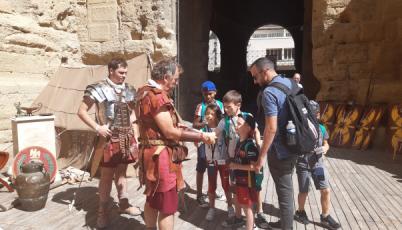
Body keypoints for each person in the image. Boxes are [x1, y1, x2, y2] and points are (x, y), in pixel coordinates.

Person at [135, 58, 216, 230]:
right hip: (160, 157)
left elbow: (165, 125)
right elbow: (170, 132)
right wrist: (202, 137)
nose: (177, 83)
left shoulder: (143, 92)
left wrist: (193, 131)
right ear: (166, 77)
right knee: (166, 207)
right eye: (176, 79)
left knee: (152, 198)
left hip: (151, 152)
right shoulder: (156, 96)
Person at [77, 58, 141, 228]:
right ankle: (102, 212)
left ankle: (124, 204)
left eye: (126, 73)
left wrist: (136, 137)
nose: (124, 76)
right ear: (111, 70)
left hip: (126, 138)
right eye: (121, 73)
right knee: (106, 176)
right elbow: (81, 111)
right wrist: (98, 127)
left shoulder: (129, 89)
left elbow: (133, 115)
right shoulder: (98, 88)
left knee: (122, 173)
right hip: (108, 138)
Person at [250, 57, 297, 230]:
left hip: (280, 150)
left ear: (265, 71)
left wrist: (262, 156)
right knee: (286, 188)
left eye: (255, 77)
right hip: (295, 143)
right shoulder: (291, 83)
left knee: (284, 192)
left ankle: (287, 227)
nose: (255, 82)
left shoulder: (269, 93)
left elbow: (271, 128)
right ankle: (286, 222)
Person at [294, 100, 341, 229]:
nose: (312, 116)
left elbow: (326, 143)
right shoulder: (301, 128)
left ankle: (325, 216)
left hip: (318, 164)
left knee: (325, 189)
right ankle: (300, 212)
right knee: (303, 190)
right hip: (303, 163)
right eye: (309, 114)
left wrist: (325, 148)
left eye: (314, 114)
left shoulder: (321, 128)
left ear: (318, 114)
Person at [193, 80, 224, 207]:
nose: (208, 96)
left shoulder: (221, 105)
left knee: (215, 165)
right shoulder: (200, 106)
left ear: (215, 93)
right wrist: (205, 122)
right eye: (205, 94)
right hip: (204, 140)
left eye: (210, 93)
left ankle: (213, 190)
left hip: (217, 140)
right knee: (201, 165)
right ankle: (199, 195)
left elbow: (223, 120)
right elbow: (195, 124)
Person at [229, 113, 263, 230]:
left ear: (248, 127)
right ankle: (250, 226)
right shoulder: (240, 142)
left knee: (247, 207)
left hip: (247, 181)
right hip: (241, 180)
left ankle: (251, 227)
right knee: (244, 206)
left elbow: (255, 167)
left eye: (239, 124)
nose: (236, 126)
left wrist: (236, 166)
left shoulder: (250, 145)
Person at [202, 103, 231, 221]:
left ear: (217, 116)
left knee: (226, 185)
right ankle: (212, 208)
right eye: (207, 113)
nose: (209, 116)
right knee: (211, 185)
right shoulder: (204, 129)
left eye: (212, 114)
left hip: (223, 160)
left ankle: (230, 208)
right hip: (211, 161)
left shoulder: (223, 126)